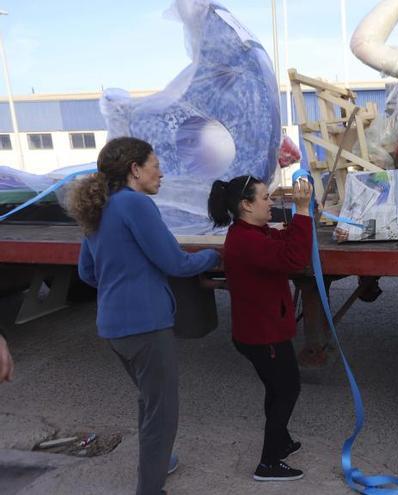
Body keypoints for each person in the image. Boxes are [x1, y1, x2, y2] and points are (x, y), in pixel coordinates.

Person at [66, 137, 220, 495]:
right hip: (146, 326)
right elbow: (175, 262)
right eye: (155, 164)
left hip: (114, 328)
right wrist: (212, 257)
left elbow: (88, 272)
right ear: (135, 169)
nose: (161, 173)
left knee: (149, 401)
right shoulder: (135, 205)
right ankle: (150, 489)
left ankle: (161, 460)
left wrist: (123, 274)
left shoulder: (100, 207)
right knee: (162, 414)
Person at [207, 174, 313, 482]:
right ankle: (268, 463)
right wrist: (303, 212)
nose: (271, 203)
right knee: (288, 389)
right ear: (245, 204)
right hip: (263, 335)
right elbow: (293, 257)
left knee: (277, 388)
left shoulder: (251, 232)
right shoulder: (246, 241)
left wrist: (300, 219)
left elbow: (283, 242)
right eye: (265, 198)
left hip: (260, 331)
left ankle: (281, 442)